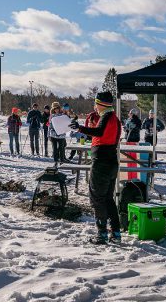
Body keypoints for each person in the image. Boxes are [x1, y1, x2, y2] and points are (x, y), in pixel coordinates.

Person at [69, 91, 122, 245]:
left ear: (100, 104)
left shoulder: (106, 116)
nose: (95, 106)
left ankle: (102, 234)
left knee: (97, 198)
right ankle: (116, 233)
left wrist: (80, 128)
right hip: (111, 161)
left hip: (102, 162)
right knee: (108, 199)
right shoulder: (115, 118)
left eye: (96, 103)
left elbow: (99, 132)